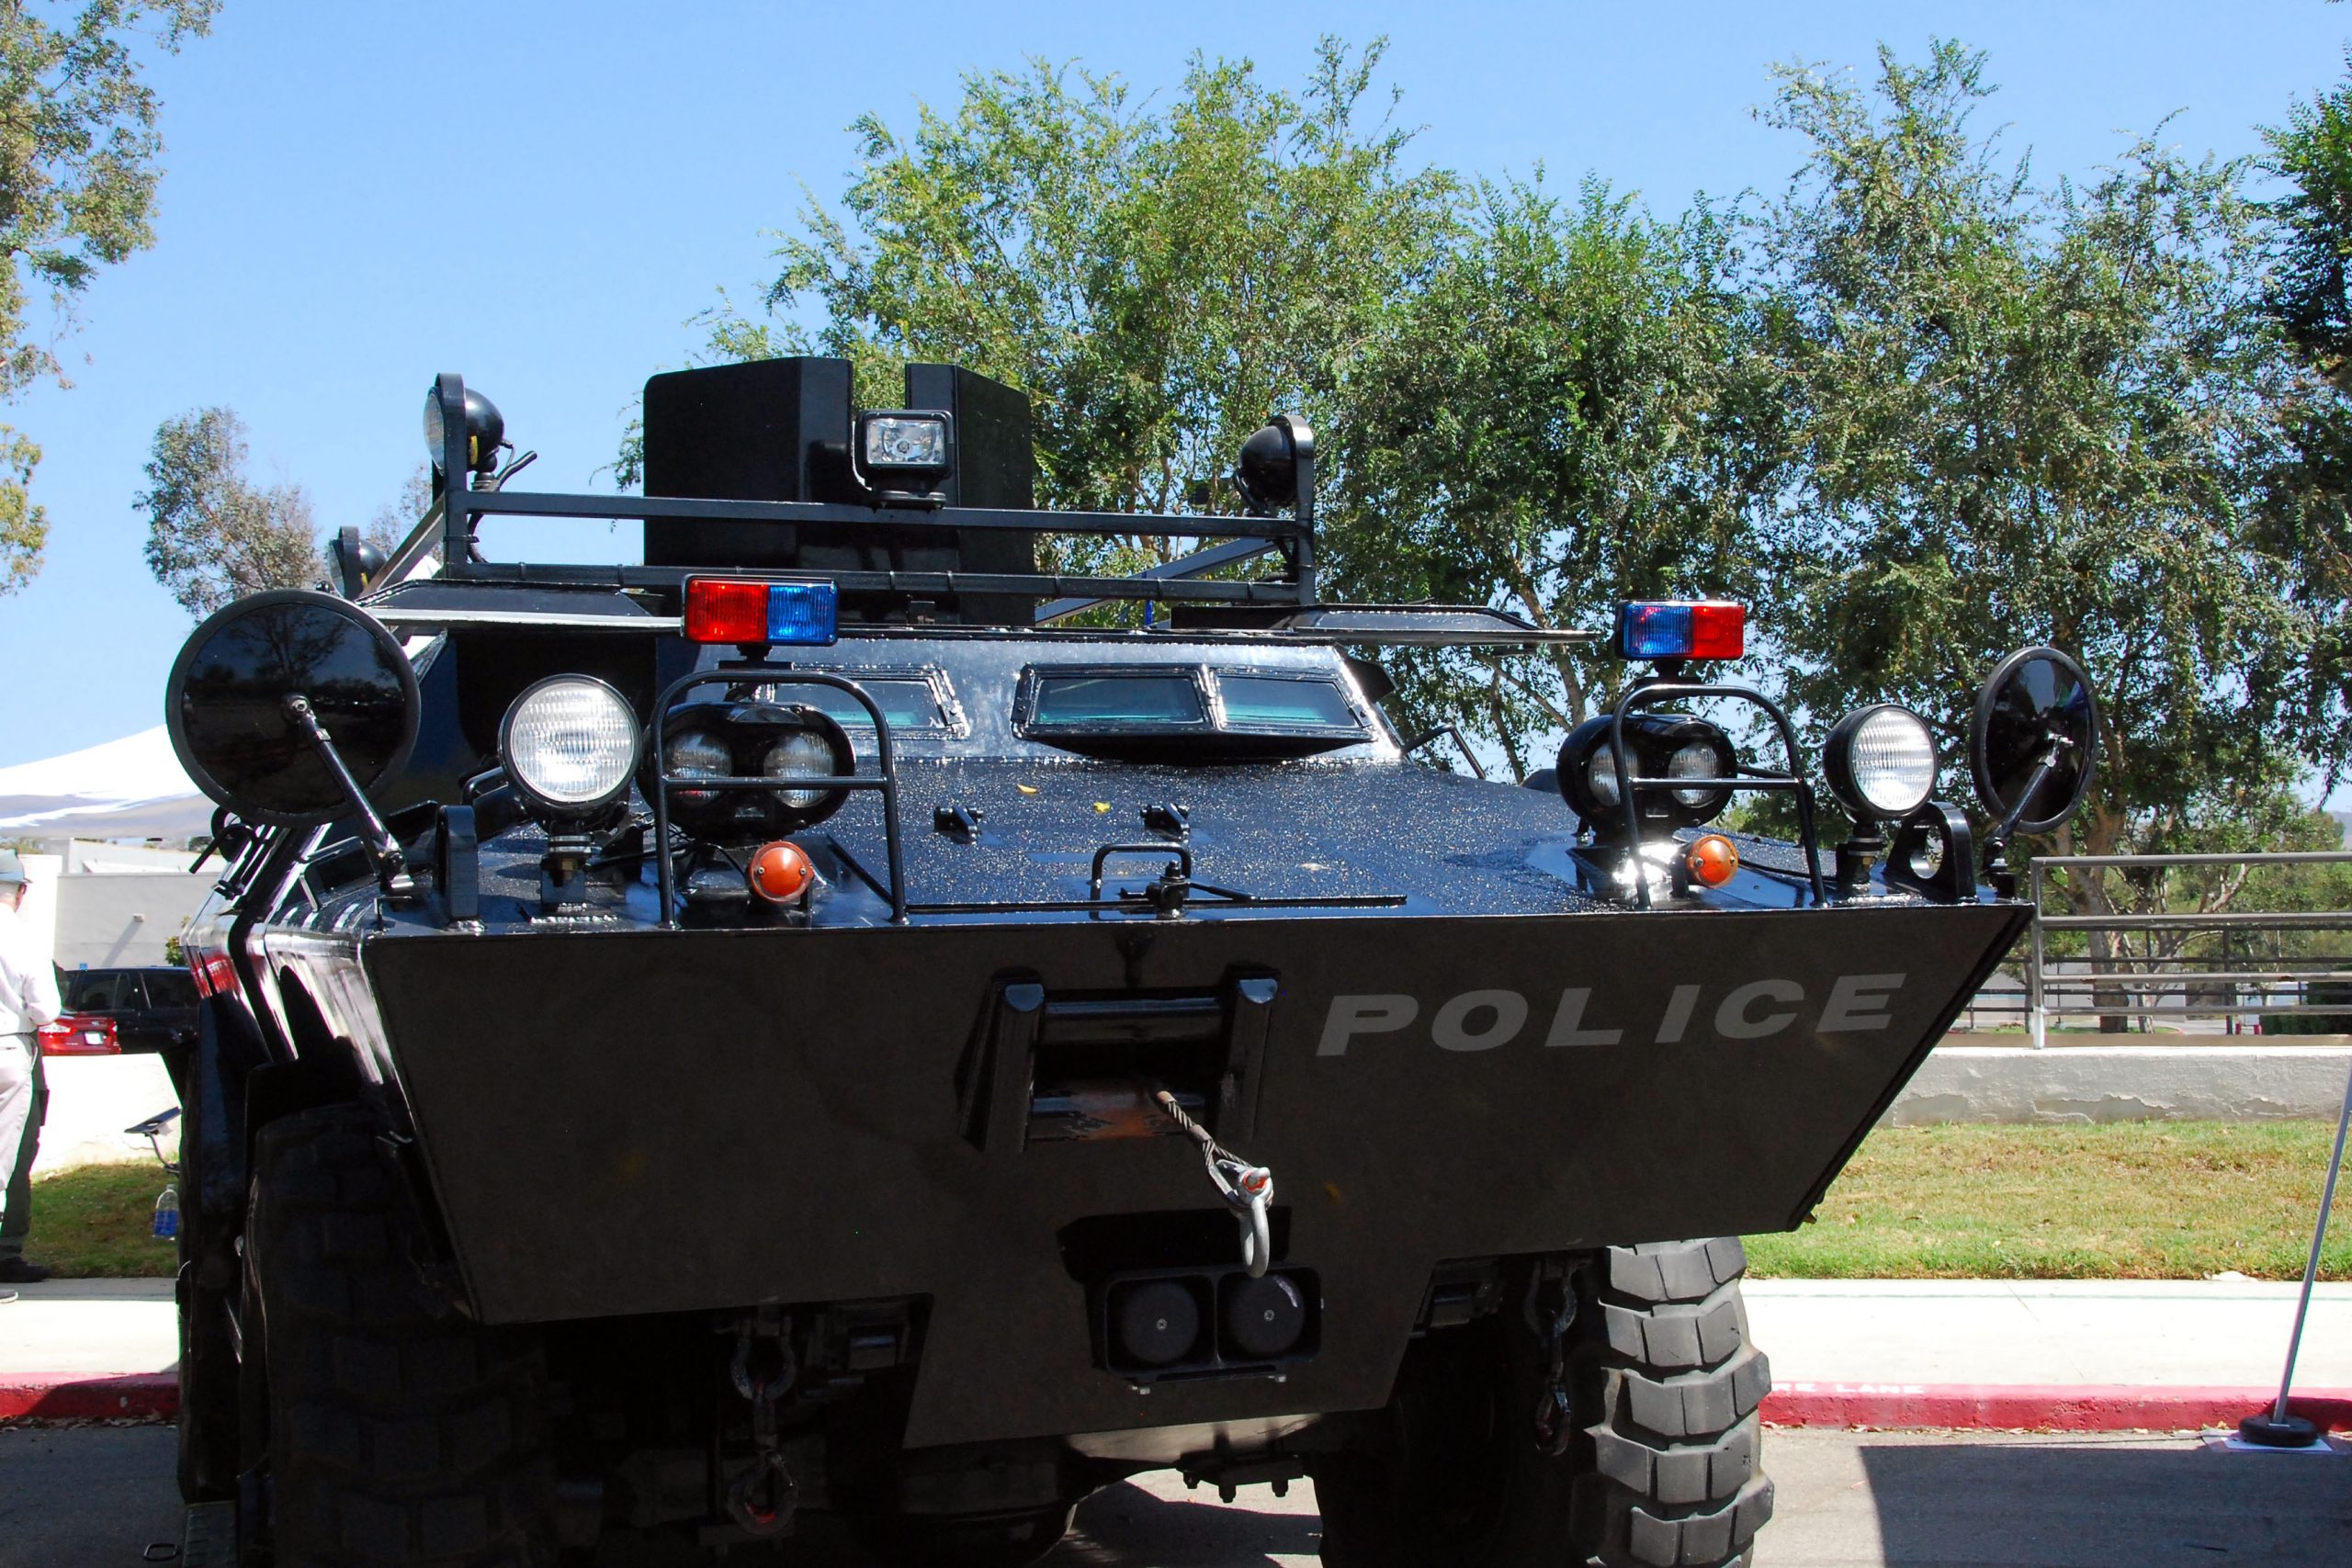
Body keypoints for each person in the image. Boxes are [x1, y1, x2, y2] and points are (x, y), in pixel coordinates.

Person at [0, 850, 61, 1303]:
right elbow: (46, 1010)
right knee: (5, 1159)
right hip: (8, 1046)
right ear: (19, 893)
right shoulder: (22, 939)